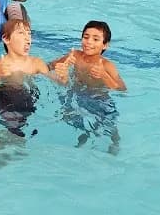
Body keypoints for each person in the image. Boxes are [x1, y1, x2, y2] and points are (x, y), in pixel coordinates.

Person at [0, 19, 55, 166]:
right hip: (5, 96)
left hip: (27, 99)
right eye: (21, 33)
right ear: (6, 39)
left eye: (29, 34)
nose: (27, 38)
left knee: (17, 128)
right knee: (15, 126)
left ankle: (0, 149)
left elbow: (56, 80)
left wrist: (62, 75)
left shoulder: (36, 63)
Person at [50, 21, 126, 153]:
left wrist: (104, 75)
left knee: (109, 126)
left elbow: (122, 89)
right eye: (86, 37)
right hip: (77, 95)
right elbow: (48, 66)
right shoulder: (74, 56)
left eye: (96, 39)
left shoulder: (107, 66)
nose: (89, 42)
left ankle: (115, 142)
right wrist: (62, 67)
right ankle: (83, 139)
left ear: (105, 45)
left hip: (99, 100)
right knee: (72, 119)